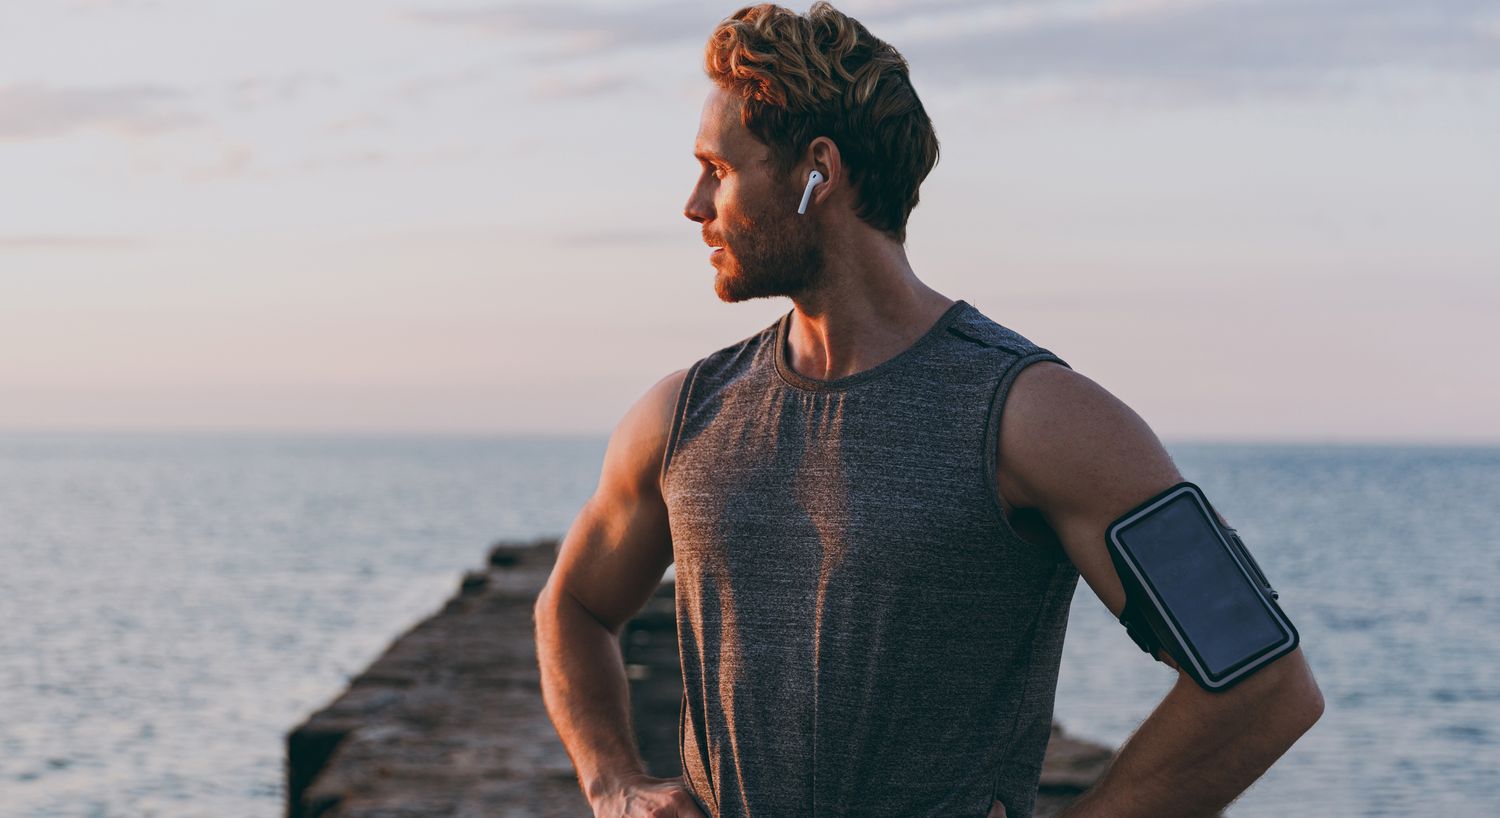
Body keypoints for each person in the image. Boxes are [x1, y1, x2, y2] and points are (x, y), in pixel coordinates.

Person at [533, 3, 1324, 817]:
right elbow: (575, 606)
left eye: (720, 170)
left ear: (819, 172)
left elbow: (1264, 682)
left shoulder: (1033, 417)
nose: (695, 205)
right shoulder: (683, 416)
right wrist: (615, 784)